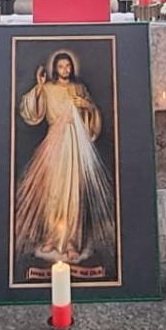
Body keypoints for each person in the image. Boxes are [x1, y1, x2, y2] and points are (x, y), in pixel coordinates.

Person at [13, 51, 115, 264]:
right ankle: (52, 236)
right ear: (55, 69)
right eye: (61, 66)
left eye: (68, 66)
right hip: (54, 143)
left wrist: (87, 106)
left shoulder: (79, 89)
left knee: (74, 191)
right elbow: (31, 111)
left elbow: (92, 115)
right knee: (53, 189)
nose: (65, 70)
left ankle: (71, 242)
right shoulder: (49, 89)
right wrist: (40, 86)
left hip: (76, 143)